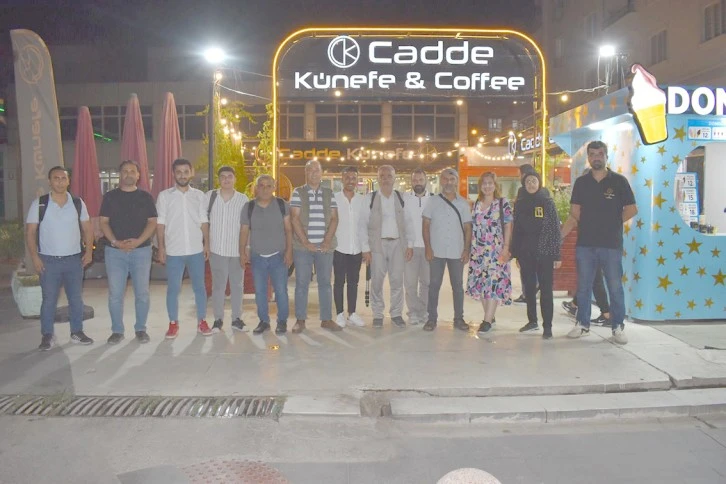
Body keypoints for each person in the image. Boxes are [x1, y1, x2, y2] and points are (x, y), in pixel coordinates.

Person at [561, 140, 637, 344]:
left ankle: (617, 326)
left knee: (615, 287)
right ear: (588, 157)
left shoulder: (619, 181)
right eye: (592, 154)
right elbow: (574, 212)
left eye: (600, 154)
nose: (596, 157)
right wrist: (562, 235)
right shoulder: (581, 183)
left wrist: (612, 223)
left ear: (606, 156)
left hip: (611, 245)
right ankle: (582, 324)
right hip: (585, 244)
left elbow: (632, 209)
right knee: (584, 287)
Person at [25, 166, 94, 350]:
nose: (60, 182)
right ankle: (47, 335)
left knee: (76, 299)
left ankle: (77, 332)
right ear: (49, 181)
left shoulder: (77, 203)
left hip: (74, 260)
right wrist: (35, 258)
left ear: (68, 181)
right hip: (48, 261)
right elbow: (30, 232)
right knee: (49, 300)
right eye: (56, 178)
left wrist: (89, 252)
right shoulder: (40, 204)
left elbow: (88, 229)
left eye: (63, 178)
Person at [99, 160, 158, 344]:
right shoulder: (110, 197)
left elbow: (152, 222)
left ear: (138, 175)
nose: (129, 174)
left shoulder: (146, 197)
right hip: (115, 253)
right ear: (120, 174)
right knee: (115, 294)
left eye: (132, 171)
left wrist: (138, 241)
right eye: (125, 171)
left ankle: (141, 329)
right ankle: (117, 331)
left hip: (141, 251)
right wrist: (116, 242)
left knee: (142, 293)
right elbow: (103, 222)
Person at [156, 158, 211, 339]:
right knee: (173, 289)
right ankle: (173, 323)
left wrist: (207, 244)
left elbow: (203, 221)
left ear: (191, 173)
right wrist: (161, 248)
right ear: (173, 174)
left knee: (199, 287)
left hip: (196, 250)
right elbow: (160, 223)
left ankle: (202, 321)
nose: (182, 175)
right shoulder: (164, 196)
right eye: (178, 172)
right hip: (174, 251)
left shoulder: (199, 196)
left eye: (186, 172)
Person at [510, 171, 561, 340]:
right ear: (524, 185)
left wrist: (556, 255)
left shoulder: (547, 202)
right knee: (529, 289)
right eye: (528, 182)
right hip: (526, 253)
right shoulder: (520, 203)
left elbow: (555, 229)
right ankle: (532, 321)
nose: (531, 184)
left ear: (539, 183)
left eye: (534, 181)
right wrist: (516, 254)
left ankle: (548, 326)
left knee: (546, 290)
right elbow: (516, 230)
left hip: (545, 253)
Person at [290, 160, 339, 333]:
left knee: (325, 283)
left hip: (325, 248)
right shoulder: (298, 192)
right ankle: (300, 320)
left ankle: (326, 319)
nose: (313, 173)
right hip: (303, 248)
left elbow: (335, 218)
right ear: (305, 173)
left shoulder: (329, 193)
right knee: (302, 283)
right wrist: (306, 242)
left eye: (316, 170)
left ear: (321, 173)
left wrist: (327, 241)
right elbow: (294, 218)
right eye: (310, 170)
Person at [359, 165, 411, 328]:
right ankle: (377, 314)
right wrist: (365, 249)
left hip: (398, 245)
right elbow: (362, 225)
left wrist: (409, 245)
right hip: (377, 245)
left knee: (397, 281)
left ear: (394, 178)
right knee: (376, 281)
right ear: (378, 178)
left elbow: (408, 223)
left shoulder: (402, 198)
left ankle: (396, 314)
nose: (386, 179)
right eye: (382, 176)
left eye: (389, 176)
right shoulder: (370, 198)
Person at [240, 175, 293, 335]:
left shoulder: (282, 205)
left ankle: (282, 321)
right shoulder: (248, 207)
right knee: (260, 292)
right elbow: (244, 231)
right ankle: (264, 321)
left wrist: (289, 251)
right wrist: (241, 252)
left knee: (281, 291)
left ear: (274, 188)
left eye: (268, 186)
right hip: (257, 257)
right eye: (261, 185)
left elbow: (288, 230)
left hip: (278, 256)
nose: (264, 189)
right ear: (256, 188)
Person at [422, 168, 472, 332]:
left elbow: (468, 228)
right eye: (445, 179)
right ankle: (431, 319)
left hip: (457, 251)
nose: (448, 182)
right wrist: (428, 247)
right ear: (441, 181)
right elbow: (426, 225)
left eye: (452, 179)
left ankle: (458, 318)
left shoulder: (463, 203)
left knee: (457, 286)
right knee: (434, 285)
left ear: (456, 181)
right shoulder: (432, 201)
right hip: (436, 251)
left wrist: (466, 250)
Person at [466, 171, 513, 333]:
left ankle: (486, 321)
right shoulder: (476, 204)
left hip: (495, 251)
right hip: (478, 252)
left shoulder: (502, 203)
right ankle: (490, 315)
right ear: (480, 186)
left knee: (492, 284)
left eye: (490, 183)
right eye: (484, 183)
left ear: (495, 185)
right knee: (481, 285)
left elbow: (508, 226)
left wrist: (506, 247)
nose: (487, 186)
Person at [205, 166, 249, 333]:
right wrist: (206, 245)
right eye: (223, 176)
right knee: (218, 286)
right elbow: (203, 222)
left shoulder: (243, 199)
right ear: (219, 179)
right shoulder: (210, 197)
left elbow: (246, 227)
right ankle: (218, 320)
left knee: (238, 285)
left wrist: (245, 249)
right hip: (217, 250)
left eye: (229, 176)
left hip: (236, 251)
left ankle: (237, 319)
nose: (226, 179)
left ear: (234, 179)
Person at [333, 166, 366, 328]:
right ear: (342, 179)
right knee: (339, 282)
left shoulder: (362, 200)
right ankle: (339, 314)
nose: (350, 181)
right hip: (339, 248)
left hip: (356, 249)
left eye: (353, 178)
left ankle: (352, 313)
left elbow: (365, 225)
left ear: (357, 180)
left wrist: (366, 248)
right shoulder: (334, 199)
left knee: (353, 282)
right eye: (347, 178)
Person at [512, 163, 548, 304]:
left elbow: (518, 217)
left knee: (526, 269)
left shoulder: (522, 192)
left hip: (528, 241)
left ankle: (527, 294)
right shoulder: (545, 192)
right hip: (540, 241)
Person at [403, 168, 433, 326]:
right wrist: (407, 245)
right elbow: (403, 223)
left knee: (427, 282)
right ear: (411, 182)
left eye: (421, 180)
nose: (418, 183)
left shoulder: (434, 199)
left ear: (426, 181)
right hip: (410, 248)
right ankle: (413, 312)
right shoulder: (405, 199)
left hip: (428, 248)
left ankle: (424, 311)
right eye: (415, 180)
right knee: (410, 283)